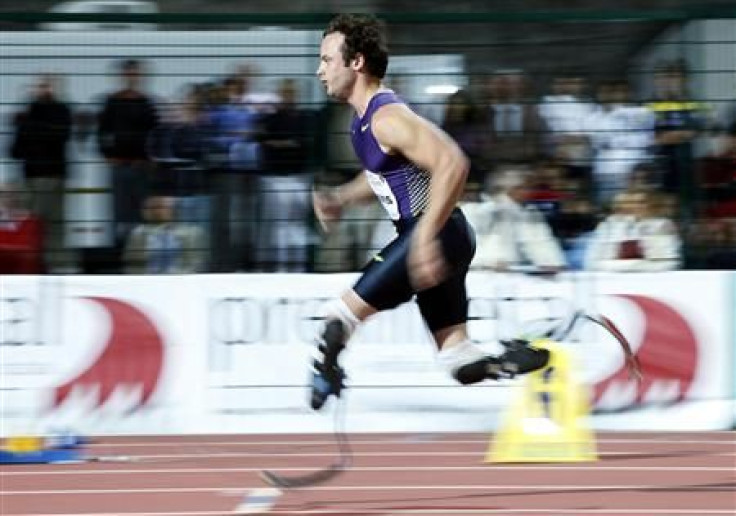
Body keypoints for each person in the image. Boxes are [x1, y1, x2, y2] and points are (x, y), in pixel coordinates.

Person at [308, 14, 550, 411]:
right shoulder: (363, 122)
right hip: (442, 236)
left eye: (326, 59)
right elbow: (383, 179)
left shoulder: (387, 117)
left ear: (356, 63)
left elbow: (453, 162)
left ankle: (326, 383)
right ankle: (519, 357)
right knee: (459, 360)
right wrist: (340, 199)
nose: (319, 71)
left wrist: (422, 240)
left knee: (337, 317)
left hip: (434, 233)